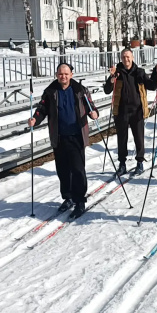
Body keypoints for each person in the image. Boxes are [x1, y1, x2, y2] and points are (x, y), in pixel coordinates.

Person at [29, 63, 99, 218]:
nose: (63, 77)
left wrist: (94, 113)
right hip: (59, 136)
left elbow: (91, 106)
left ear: (71, 75)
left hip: (76, 135)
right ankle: (67, 197)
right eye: (60, 74)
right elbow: (42, 110)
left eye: (66, 74)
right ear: (56, 75)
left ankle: (79, 201)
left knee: (78, 169)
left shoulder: (80, 90)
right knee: (62, 170)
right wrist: (35, 119)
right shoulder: (50, 91)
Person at [104, 48, 155, 176]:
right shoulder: (117, 73)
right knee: (122, 139)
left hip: (137, 110)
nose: (126, 59)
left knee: (139, 138)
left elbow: (152, 86)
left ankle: (139, 162)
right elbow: (106, 90)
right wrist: (111, 78)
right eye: (123, 57)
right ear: (121, 59)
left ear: (132, 58)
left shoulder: (139, 72)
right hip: (121, 111)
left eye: (128, 57)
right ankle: (122, 164)